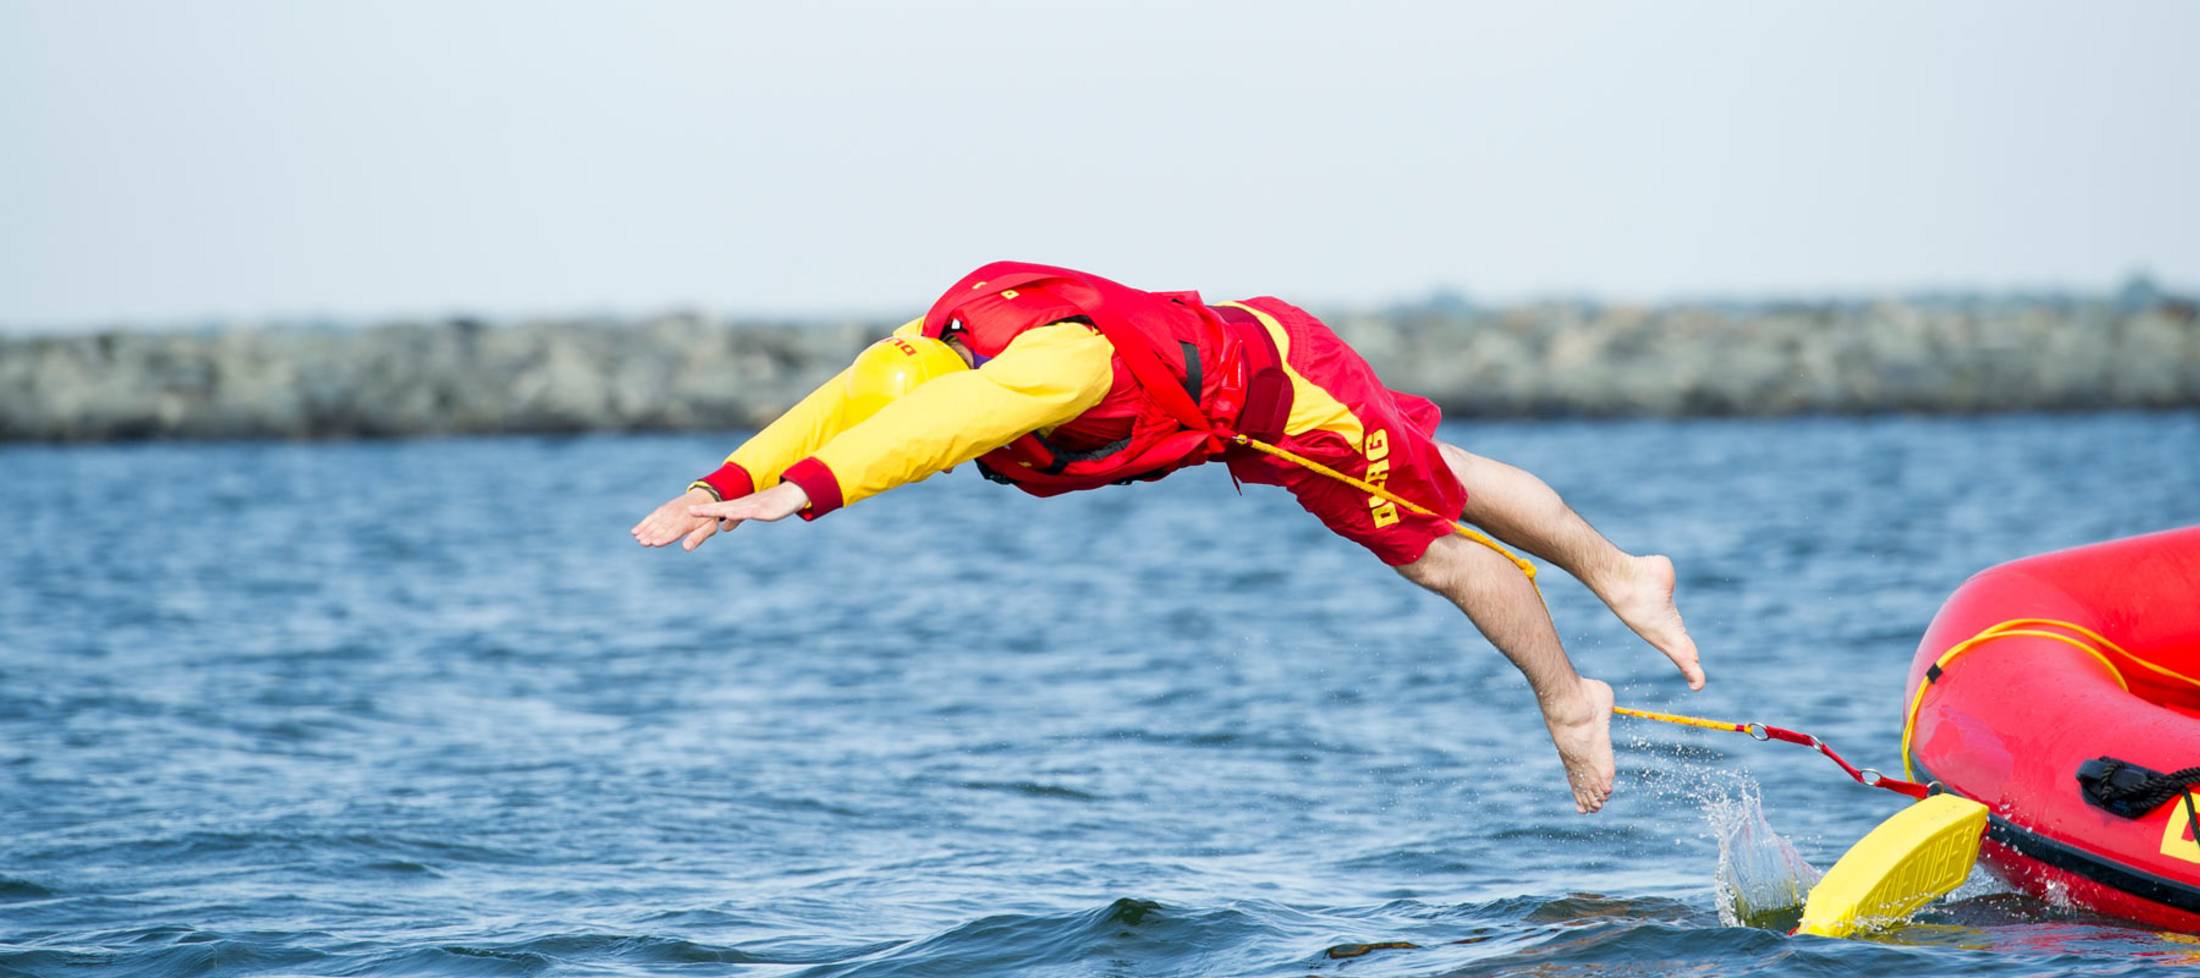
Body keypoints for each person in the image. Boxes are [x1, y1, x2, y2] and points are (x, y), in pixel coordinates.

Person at [632, 261, 1703, 813]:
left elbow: (928, 433)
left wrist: (806, 494)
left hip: (1284, 404)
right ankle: (1626, 576)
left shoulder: (1047, 370)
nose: (964, 457)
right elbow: (842, 408)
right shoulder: (927, 343)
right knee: (1444, 473)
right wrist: (720, 484)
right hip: (1269, 347)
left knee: (1434, 550)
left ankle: (1571, 700)